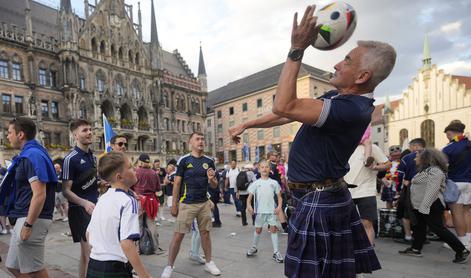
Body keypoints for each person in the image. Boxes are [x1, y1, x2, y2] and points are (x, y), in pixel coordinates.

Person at [229, 5, 395, 276]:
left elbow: (285, 105)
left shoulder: (351, 109)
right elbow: (287, 114)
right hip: (315, 197)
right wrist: (247, 123)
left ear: (363, 76)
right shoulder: (339, 98)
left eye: (348, 61)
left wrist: (296, 49)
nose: (337, 63)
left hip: (320, 200)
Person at [2, 117, 57, 277]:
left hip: (32, 217)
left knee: (34, 269)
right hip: (23, 215)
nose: (7, 136)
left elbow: (39, 194)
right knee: (13, 267)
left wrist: (28, 225)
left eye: (9, 132)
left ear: (20, 135)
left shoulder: (32, 155)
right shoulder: (28, 154)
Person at [161, 132, 221, 278]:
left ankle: (209, 262)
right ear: (190, 143)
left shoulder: (209, 161)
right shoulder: (184, 160)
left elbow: (214, 185)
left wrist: (212, 179)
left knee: (205, 233)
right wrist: (174, 205)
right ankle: (169, 266)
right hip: (186, 204)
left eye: (202, 139)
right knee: (178, 235)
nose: (201, 141)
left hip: (204, 203)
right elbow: (177, 183)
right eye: (197, 139)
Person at [87, 151, 152, 278]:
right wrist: (145, 276)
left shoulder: (102, 198)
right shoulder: (128, 201)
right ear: (119, 177)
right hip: (114, 267)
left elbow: (88, 234)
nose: (134, 169)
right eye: (129, 167)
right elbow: (127, 243)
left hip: (94, 262)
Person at [399, 148, 470, 263]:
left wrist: (424, 207)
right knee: (419, 227)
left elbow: (432, 190)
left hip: (431, 204)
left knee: (438, 229)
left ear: (425, 158)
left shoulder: (435, 171)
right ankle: (416, 248)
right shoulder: (426, 170)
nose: (414, 158)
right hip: (421, 204)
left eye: (417, 156)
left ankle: (462, 250)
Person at [62, 119, 99, 278]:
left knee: (91, 253)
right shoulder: (70, 158)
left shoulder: (92, 156)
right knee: (89, 252)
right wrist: (83, 202)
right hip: (79, 211)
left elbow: (90, 183)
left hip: (94, 208)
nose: (89, 132)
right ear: (75, 135)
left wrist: (101, 183)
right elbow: (65, 191)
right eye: (85, 130)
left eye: (90, 129)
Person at [344, 142, 391, 244]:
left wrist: (375, 167)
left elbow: (387, 164)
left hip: (366, 191)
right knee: (344, 223)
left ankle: (369, 251)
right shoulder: (343, 146)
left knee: (367, 223)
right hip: (345, 191)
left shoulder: (372, 148)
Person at [246, 160, 284, 263]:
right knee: (258, 230)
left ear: (269, 169)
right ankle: (254, 247)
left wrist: (279, 206)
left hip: (271, 211)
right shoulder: (256, 183)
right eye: (262, 167)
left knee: (273, 230)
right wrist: (249, 206)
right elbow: (249, 198)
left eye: (266, 167)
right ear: (259, 169)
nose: (264, 169)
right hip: (259, 212)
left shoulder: (274, 183)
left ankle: (276, 252)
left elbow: (279, 197)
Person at [442, 121, 471, 249]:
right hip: (469, 182)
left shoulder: (449, 148)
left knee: (457, 213)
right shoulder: (469, 144)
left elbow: (442, 167)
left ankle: (462, 243)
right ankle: (469, 240)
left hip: (455, 183)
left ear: (450, 133)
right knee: (466, 211)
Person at [395, 138, 426, 244]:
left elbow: (400, 175)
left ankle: (408, 236)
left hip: (409, 188)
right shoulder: (431, 157)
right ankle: (422, 237)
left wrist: (398, 189)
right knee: (423, 213)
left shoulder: (406, 158)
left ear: (413, 146)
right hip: (426, 188)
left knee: (406, 214)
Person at [132, 153, 161, 251]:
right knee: (151, 223)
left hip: (139, 200)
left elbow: (131, 186)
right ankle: (156, 247)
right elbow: (158, 189)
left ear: (140, 161)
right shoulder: (154, 173)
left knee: (138, 224)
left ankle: (137, 249)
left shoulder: (136, 172)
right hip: (151, 200)